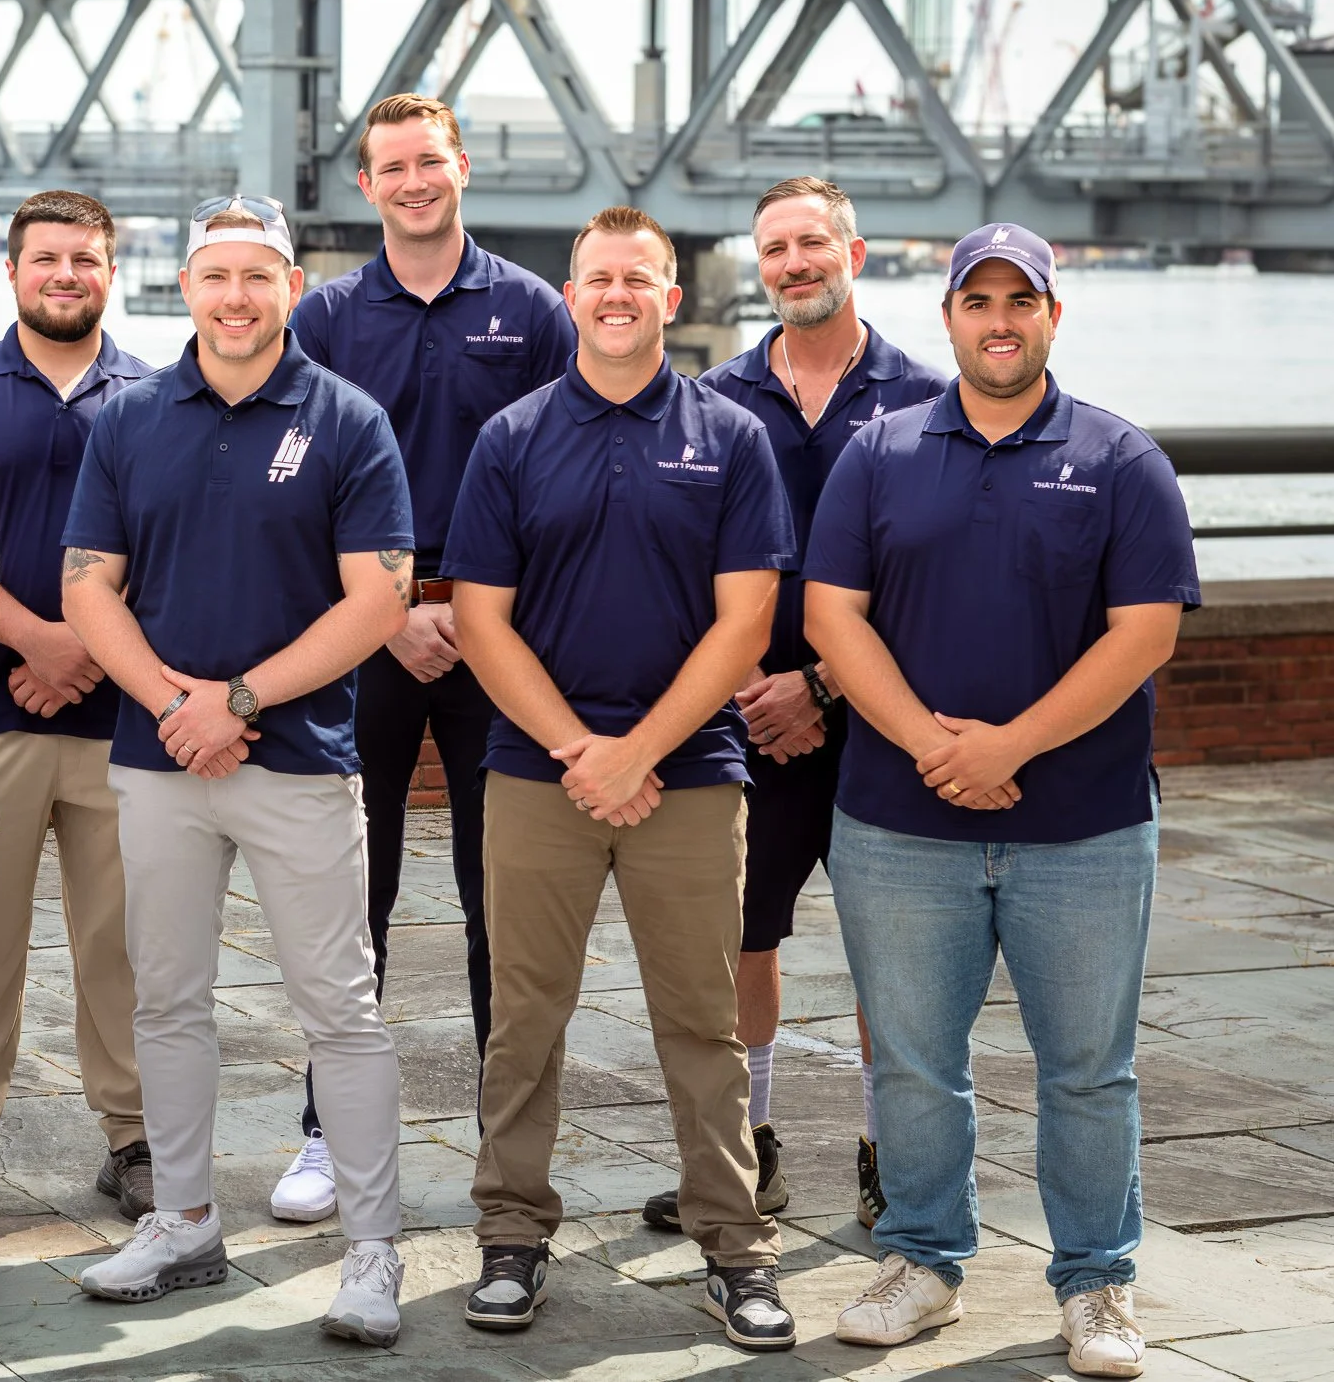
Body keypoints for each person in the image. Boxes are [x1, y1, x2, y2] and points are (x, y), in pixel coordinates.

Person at [805, 223, 1197, 1378]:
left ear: (1051, 317)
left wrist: (1009, 746)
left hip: (1081, 823)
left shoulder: (1122, 459)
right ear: (949, 317)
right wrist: (936, 745)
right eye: (976, 301)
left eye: (1018, 301)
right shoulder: (874, 454)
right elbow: (832, 617)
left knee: (1088, 1064)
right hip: (897, 818)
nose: (998, 320)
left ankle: (1095, 1283)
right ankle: (922, 1261)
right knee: (915, 1062)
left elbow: (1146, 633)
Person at [446, 206, 799, 1350]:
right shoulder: (508, 437)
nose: (614, 295)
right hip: (536, 775)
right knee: (524, 1019)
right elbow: (479, 621)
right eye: (596, 278)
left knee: (700, 1020)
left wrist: (637, 751)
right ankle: (510, 1232)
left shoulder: (730, 435)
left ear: (671, 297)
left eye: (636, 279)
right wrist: (580, 753)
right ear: (568, 293)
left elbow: (745, 623)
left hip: (688, 777)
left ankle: (735, 1246)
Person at [64, 198, 414, 1349]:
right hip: (160, 755)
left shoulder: (348, 418)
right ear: (185, 285)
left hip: (298, 758)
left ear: (290, 286)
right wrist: (177, 704)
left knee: (339, 1008)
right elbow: (87, 587)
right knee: (165, 998)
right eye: (214, 274)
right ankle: (183, 1218)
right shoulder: (125, 418)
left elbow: (378, 596)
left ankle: (371, 1247)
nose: (234, 296)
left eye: (256, 275)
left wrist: (241, 701)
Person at [278, 94, 574, 1221]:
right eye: (391, 165)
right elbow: (293, 480)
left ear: (463, 170)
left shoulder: (534, 310)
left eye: (430, 162)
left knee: (504, 897)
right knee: (353, 890)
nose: (413, 180)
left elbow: (562, 473)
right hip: (367, 633)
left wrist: (477, 612)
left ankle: (510, 1151)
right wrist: (388, 605)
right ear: (367, 186)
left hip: (497, 634)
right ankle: (325, 1133)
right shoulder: (326, 316)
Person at [642, 176, 950, 1239]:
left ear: (852, 254)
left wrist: (820, 684)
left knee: (891, 952)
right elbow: (686, 566)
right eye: (773, 248)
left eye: (812, 242)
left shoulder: (923, 397)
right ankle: (748, 1155)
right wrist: (745, 687)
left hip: (882, 724)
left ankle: (890, 1158)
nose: (792, 263)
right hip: (744, 720)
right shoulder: (714, 401)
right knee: (740, 942)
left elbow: (935, 574)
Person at [0, 190, 155, 1219]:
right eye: (48, 256)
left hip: (118, 721)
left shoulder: (159, 394)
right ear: (11, 271)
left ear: (113, 272)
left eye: (86, 258)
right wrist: (35, 640)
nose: (66, 273)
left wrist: (84, 654)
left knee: (127, 944)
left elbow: (169, 546)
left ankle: (137, 1134)